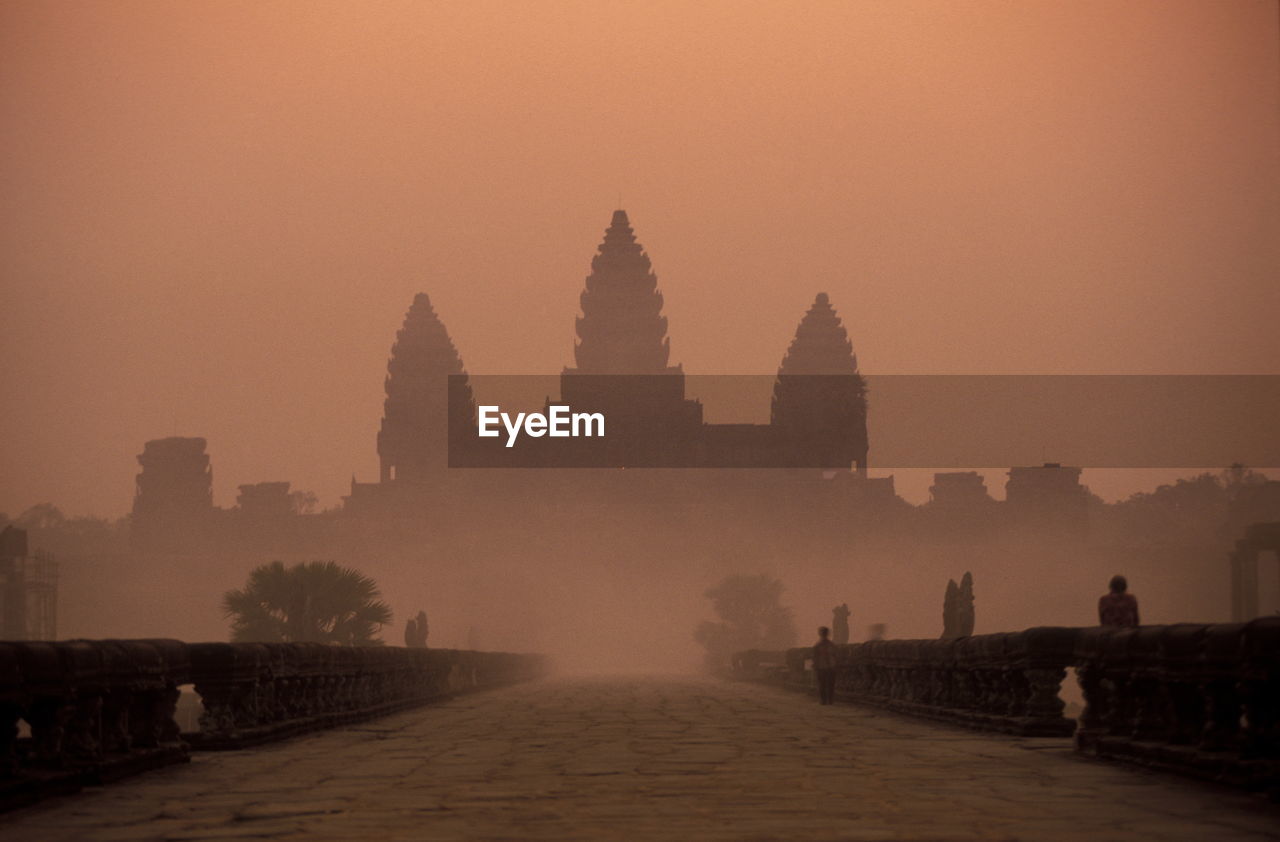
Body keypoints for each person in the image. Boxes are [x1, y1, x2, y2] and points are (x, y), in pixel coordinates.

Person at [813, 626, 838, 705]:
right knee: (830, 685)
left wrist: (815, 666)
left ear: (820, 634)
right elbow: (836, 655)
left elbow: (815, 657)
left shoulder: (817, 645)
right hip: (831, 666)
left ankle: (823, 701)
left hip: (821, 667)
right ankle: (830, 701)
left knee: (822, 685)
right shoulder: (832, 644)